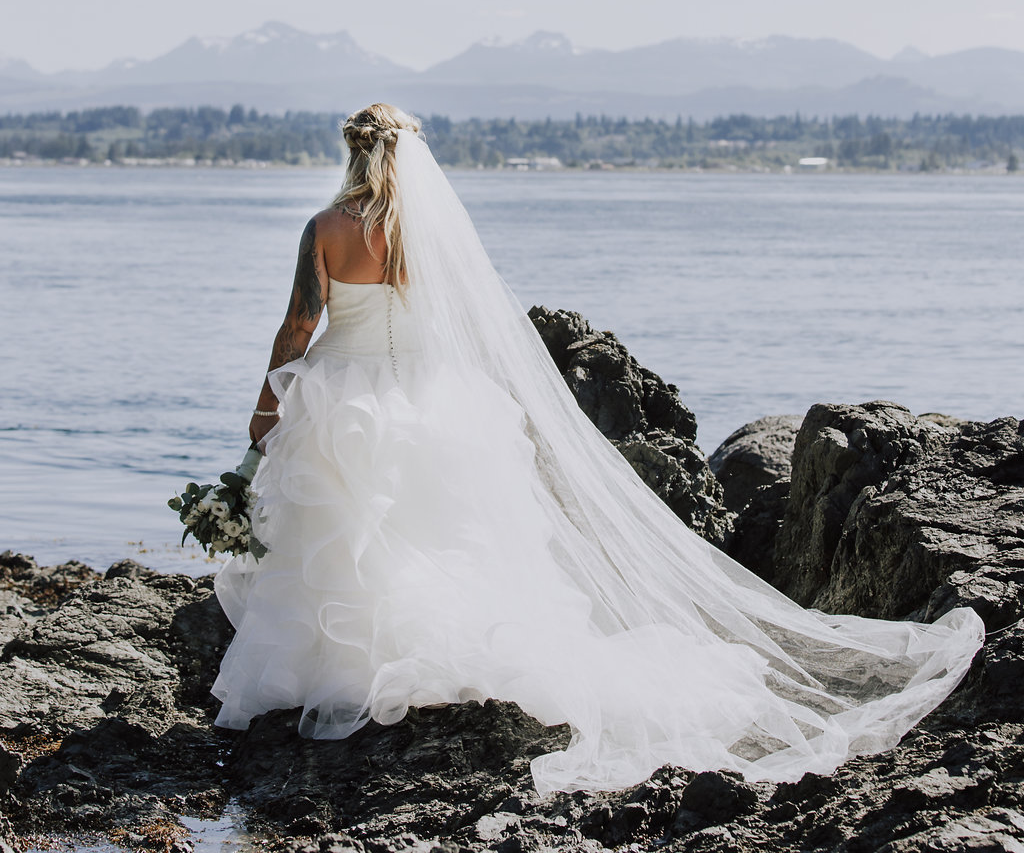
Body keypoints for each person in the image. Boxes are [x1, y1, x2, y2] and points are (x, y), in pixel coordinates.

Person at [212, 104, 984, 797]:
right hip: (433, 395)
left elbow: (296, 330)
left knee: (354, 534)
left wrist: (264, 411)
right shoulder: (430, 234)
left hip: (343, 397)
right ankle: (436, 658)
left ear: (351, 153)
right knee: (443, 529)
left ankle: (338, 670)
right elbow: (466, 326)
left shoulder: (325, 228)